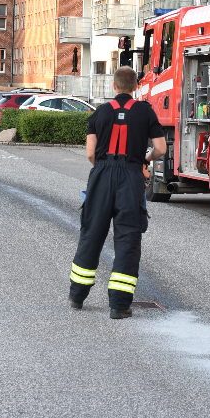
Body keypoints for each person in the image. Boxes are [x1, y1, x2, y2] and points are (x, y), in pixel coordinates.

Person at [69, 66, 167, 320]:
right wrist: (143, 161)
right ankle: (119, 306)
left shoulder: (100, 112)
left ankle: (77, 297)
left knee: (91, 234)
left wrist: (103, 170)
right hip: (131, 176)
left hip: (102, 174)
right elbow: (160, 148)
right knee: (128, 239)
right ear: (135, 86)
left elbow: (90, 153)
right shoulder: (145, 111)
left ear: (114, 86)